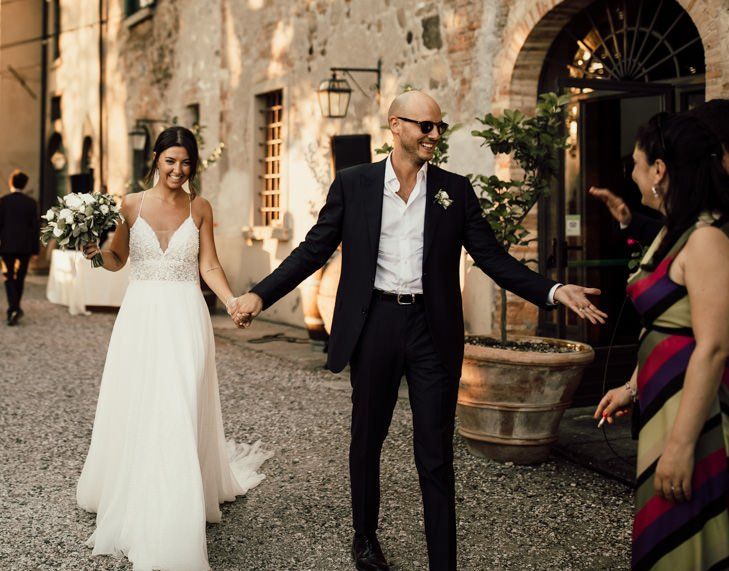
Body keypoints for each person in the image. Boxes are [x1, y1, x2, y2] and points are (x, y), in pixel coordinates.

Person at [228, 90, 606, 571]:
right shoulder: (354, 184)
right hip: (375, 324)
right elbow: (312, 250)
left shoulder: (455, 189)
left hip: (432, 329)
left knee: (435, 449)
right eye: (424, 126)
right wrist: (260, 295)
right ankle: (365, 538)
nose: (433, 135)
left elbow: (491, 257)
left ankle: (442, 563)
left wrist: (552, 291)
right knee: (368, 437)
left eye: (438, 127)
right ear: (395, 126)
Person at [77, 126, 272, 570]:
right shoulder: (130, 204)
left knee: (181, 403)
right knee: (143, 403)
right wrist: (94, 252)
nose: (177, 170)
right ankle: (139, 493)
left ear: (193, 165)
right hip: (141, 316)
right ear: (156, 160)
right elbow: (117, 260)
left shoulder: (200, 207)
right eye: (170, 161)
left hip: (186, 316)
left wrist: (231, 301)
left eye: (185, 163)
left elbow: (209, 264)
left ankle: (180, 502)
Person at [595, 112, 729, 570]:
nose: (630, 173)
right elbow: (664, 325)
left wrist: (680, 445)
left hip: (693, 416)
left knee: (685, 540)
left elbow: (712, 346)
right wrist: (632, 387)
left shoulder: (707, 239)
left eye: (636, 163)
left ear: (659, 170)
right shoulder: (672, 233)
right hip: (660, 407)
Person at [590, 99, 729, 244]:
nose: (633, 175)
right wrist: (629, 221)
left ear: (658, 169)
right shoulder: (692, 221)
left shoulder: (708, 234)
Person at [0, 169, 40, 326]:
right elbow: (35, 228)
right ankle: (15, 308)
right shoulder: (31, 203)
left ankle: (13, 308)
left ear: (11, 182)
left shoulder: (3, 201)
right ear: (25, 184)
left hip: (7, 246)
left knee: (9, 276)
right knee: (21, 277)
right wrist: (35, 249)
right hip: (25, 246)